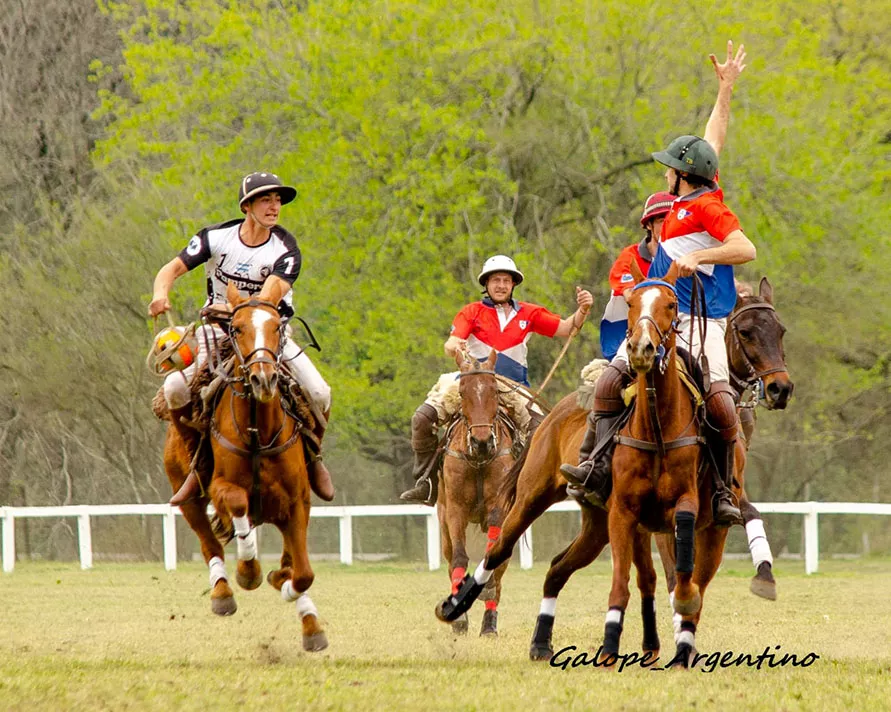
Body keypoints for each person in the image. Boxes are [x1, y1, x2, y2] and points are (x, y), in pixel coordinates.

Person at [562, 42, 752, 526]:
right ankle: (592, 465)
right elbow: (714, 139)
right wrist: (725, 88)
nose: (665, 170)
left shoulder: (706, 206)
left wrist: (703, 257)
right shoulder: (690, 198)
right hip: (664, 314)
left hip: (704, 321)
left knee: (721, 403)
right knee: (609, 381)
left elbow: (745, 248)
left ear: (683, 176)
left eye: (670, 166)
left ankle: (726, 492)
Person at [149, 172, 335, 504]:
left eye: (278, 200)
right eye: (266, 199)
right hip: (218, 332)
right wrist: (160, 293)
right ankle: (197, 462)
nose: (274, 206)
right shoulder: (216, 238)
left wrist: (229, 307)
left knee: (320, 393)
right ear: (246, 206)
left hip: (267, 333)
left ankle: (314, 460)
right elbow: (171, 269)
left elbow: (263, 303)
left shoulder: (286, 249)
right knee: (174, 388)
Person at [399, 255, 594, 506]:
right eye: (495, 280)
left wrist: (583, 309)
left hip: (513, 387)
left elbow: (568, 328)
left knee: (543, 431)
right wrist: (452, 346)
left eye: (506, 280)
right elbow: (452, 342)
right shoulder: (472, 311)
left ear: (513, 284)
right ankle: (426, 482)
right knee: (422, 418)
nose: (501, 285)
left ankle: (533, 486)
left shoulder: (530, 313)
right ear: (486, 284)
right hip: (472, 383)